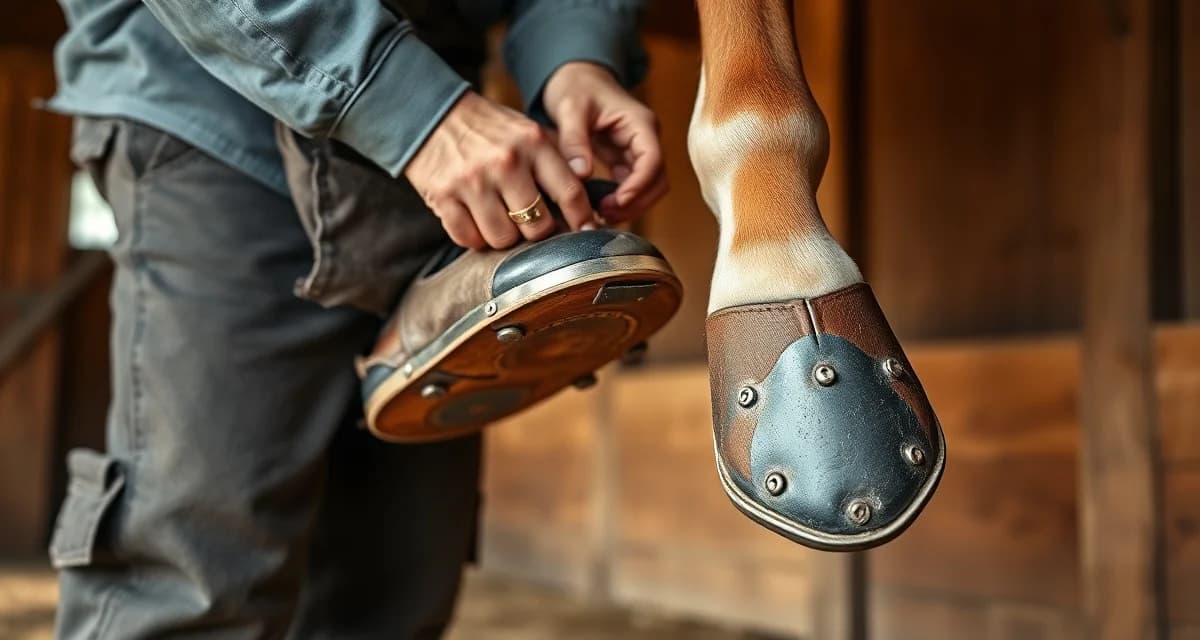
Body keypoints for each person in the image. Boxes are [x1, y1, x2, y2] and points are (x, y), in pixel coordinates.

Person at [44, 1, 667, 637]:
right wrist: (416, 112)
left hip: (441, 141)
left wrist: (573, 56)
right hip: (220, 110)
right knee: (197, 579)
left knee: (395, 588)